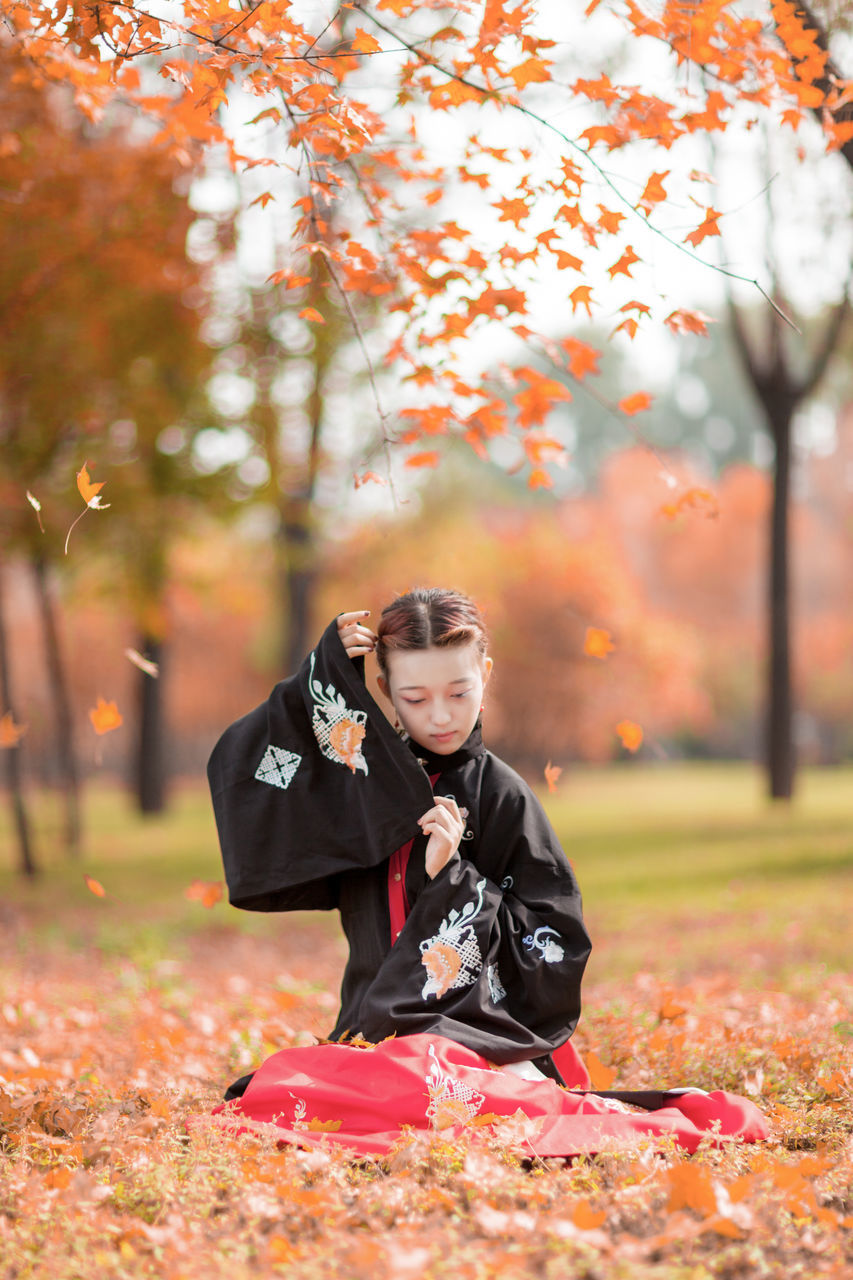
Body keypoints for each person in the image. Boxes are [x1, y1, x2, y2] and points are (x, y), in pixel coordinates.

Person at [207, 588, 769, 1157]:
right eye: (416, 697)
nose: (442, 715)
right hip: (370, 1030)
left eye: (459, 691)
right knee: (274, 1090)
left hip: (476, 1038)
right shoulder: (361, 786)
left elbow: (554, 941)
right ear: (383, 692)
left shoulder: (504, 797)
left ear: (486, 673)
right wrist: (316, 681)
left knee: (428, 1084)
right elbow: (248, 775)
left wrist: (451, 878)